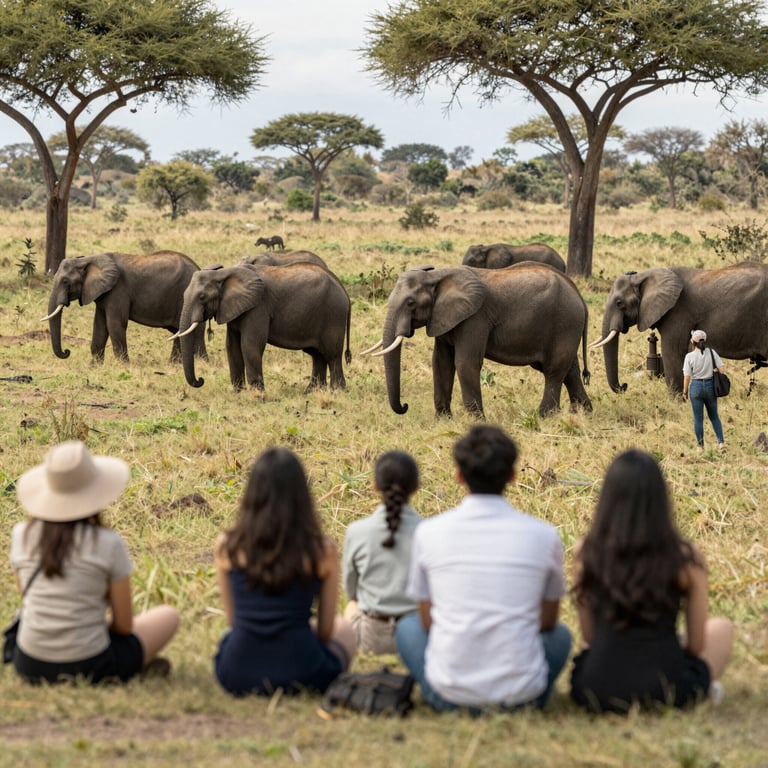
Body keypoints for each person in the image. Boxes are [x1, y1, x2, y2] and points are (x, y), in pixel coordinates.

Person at [395, 425, 572, 711]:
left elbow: (427, 622)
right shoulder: (544, 535)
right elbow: (549, 622)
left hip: (448, 695)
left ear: (459, 476)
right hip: (523, 696)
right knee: (562, 635)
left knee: (407, 627)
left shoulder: (429, 532)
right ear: (513, 476)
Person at [570, 449, 734, 713]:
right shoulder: (685, 558)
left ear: (607, 499)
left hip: (596, 689)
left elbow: (589, 635)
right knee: (723, 628)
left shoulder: (586, 552)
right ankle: (703, 690)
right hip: (667, 687)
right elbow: (696, 646)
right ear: (661, 499)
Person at [9, 441, 180, 684]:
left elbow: (27, 600)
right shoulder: (108, 543)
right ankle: (132, 668)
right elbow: (123, 625)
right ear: (95, 490)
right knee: (168, 615)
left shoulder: (21, 534)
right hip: (90, 663)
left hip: (29, 663)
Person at [214, 447, 356, 696]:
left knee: (229, 637)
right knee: (344, 628)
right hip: (305, 672)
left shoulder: (228, 546)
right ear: (303, 495)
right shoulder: (322, 550)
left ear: (252, 494)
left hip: (236, 672)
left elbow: (233, 621)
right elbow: (325, 631)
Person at [342, 450, 422, 654]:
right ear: (416, 487)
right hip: (419, 634)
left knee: (351, 605)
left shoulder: (356, 531)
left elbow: (351, 590)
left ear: (375, 485)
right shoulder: (430, 531)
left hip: (372, 638)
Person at [682, 329, 726, 452]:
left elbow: (687, 377)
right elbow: (722, 369)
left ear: (692, 342)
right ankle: (721, 443)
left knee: (698, 418)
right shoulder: (712, 353)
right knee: (714, 417)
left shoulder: (689, 356)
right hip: (710, 386)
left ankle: (700, 446)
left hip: (696, 387)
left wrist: (684, 392)